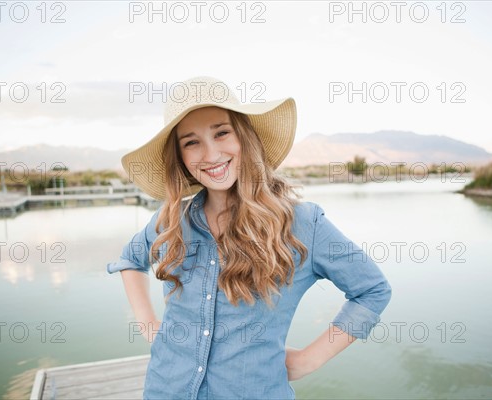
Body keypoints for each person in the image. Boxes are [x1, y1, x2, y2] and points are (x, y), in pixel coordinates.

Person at [107, 76, 392, 400]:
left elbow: (372, 290)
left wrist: (310, 359)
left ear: (244, 136)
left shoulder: (302, 224)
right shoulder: (173, 219)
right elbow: (130, 259)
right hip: (164, 389)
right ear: (181, 157)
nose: (211, 154)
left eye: (221, 133)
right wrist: (150, 327)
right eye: (191, 142)